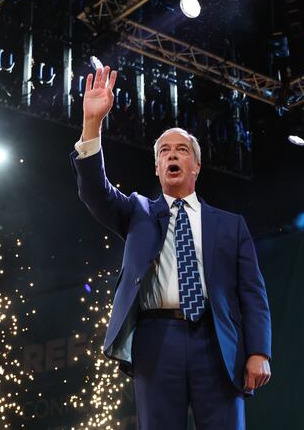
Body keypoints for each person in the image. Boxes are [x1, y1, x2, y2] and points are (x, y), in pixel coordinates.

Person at [70, 65, 272, 429]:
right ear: (158, 167)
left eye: (181, 150)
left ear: (195, 166)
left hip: (216, 341)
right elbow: (94, 191)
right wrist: (92, 125)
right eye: (164, 151)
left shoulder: (231, 225)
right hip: (155, 340)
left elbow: (253, 294)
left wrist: (258, 351)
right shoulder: (137, 211)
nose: (172, 155)